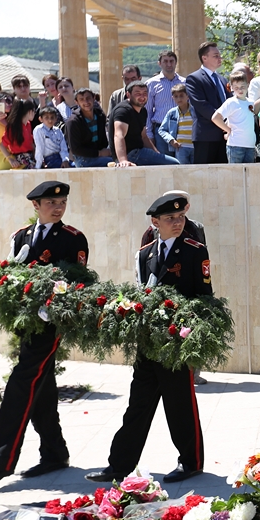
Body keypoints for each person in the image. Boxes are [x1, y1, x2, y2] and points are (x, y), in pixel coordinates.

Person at [86, 194, 211, 483]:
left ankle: (191, 462)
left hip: (175, 343)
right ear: (155, 222)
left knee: (179, 404)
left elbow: (204, 296)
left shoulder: (194, 251)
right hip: (148, 343)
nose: (177, 223)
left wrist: (190, 331)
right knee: (138, 405)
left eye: (180, 217)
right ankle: (119, 465)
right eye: (170, 219)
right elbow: (143, 292)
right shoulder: (145, 254)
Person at [0, 181, 87, 488]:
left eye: (62, 202)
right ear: (36, 205)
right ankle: (54, 453)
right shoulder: (21, 236)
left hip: (50, 325)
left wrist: (51, 305)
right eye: (51, 203)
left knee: (21, 385)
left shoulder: (73, 239)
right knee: (42, 386)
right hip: (26, 323)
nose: (58, 207)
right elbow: (11, 275)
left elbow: (78, 283)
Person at [112, 80, 180, 167]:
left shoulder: (143, 110)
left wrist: (156, 153)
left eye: (145, 93)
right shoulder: (123, 110)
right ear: (128, 95)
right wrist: (123, 160)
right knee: (174, 164)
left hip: (139, 151)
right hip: (131, 154)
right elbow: (118, 135)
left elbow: (144, 136)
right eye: (138, 93)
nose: (142, 96)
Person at [184, 42, 229, 165]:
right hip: (206, 136)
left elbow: (230, 102)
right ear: (204, 58)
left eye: (219, 55)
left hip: (225, 136)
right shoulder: (194, 79)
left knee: (224, 173)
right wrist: (222, 121)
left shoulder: (222, 79)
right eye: (215, 56)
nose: (220, 58)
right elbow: (201, 105)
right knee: (204, 174)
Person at [212, 70, 258, 164]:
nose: (240, 90)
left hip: (250, 145)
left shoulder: (250, 102)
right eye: (236, 87)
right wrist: (228, 130)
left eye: (242, 87)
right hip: (235, 145)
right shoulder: (231, 102)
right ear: (232, 87)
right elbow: (215, 118)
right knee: (235, 172)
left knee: (249, 172)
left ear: (248, 85)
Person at [146, 50, 185, 156]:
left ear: (176, 63)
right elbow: (147, 111)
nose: (169, 64)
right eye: (165, 61)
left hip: (183, 129)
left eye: (171, 61)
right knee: (165, 161)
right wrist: (149, 135)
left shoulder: (185, 82)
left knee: (184, 162)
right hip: (161, 130)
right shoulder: (151, 84)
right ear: (159, 63)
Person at [65, 88, 111, 168]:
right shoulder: (73, 122)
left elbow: (103, 140)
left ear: (94, 98)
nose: (86, 102)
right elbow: (76, 149)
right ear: (77, 102)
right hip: (83, 159)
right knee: (114, 162)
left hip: (100, 154)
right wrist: (99, 153)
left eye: (88, 98)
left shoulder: (99, 115)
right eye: (81, 99)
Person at [158, 84, 196, 165]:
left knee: (196, 169)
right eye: (176, 96)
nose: (179, 99)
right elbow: (162, 130)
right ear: (173, 98)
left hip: (195, 147)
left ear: (187, 96)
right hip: (180, 147)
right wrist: (171, 140)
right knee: (182, 169)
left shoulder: (195, 111)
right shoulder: (172, 113)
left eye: (181, 96)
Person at [1, 98, 37, 169]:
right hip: (20, 158)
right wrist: (10, 159)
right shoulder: (13, 127)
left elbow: (31, 143)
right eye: (34, 111)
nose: (34, 113)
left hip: (31, 156)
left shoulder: (28, 124)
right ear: (29, 111)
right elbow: (1, 145)